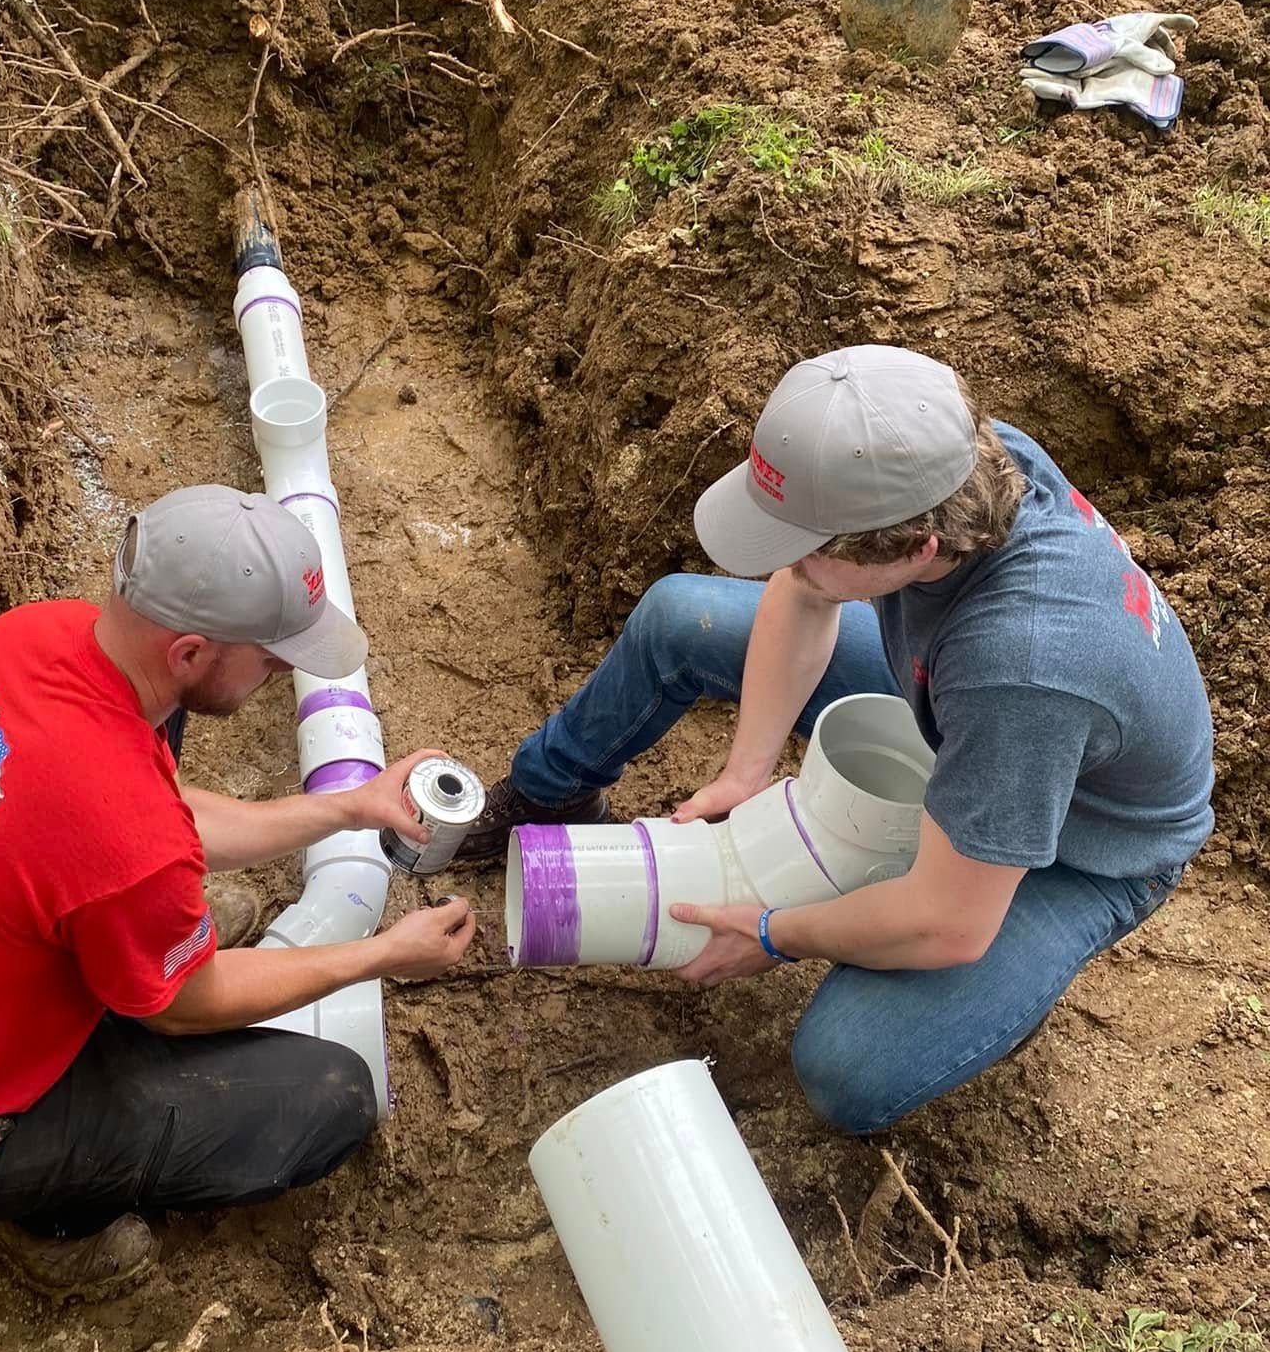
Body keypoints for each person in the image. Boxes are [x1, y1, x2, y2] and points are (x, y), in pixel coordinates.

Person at [459, 345, 1214, 1133]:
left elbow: (946, 923)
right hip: (963, 700)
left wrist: (771, 931)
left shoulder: (1020, 670)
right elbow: (803, 588)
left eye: (810, 546)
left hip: (1085, 847)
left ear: (916, 548)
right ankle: (553, 791)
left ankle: (1002, 996)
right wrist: (746, 771)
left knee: (849, 1065)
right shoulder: (950, 457)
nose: (786, 562)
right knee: (682, 618)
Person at [0, 486, 475, 1297]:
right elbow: (182, 1002)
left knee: (144, 814)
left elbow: (161, 811)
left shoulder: (34, 636)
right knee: (330, 1099)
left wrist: (350, 806)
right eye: (273, 656)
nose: (284, 669)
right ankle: (37, 1216)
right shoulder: (117, 830)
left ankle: (135, 929)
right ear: (188, 652)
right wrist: (378, 955)